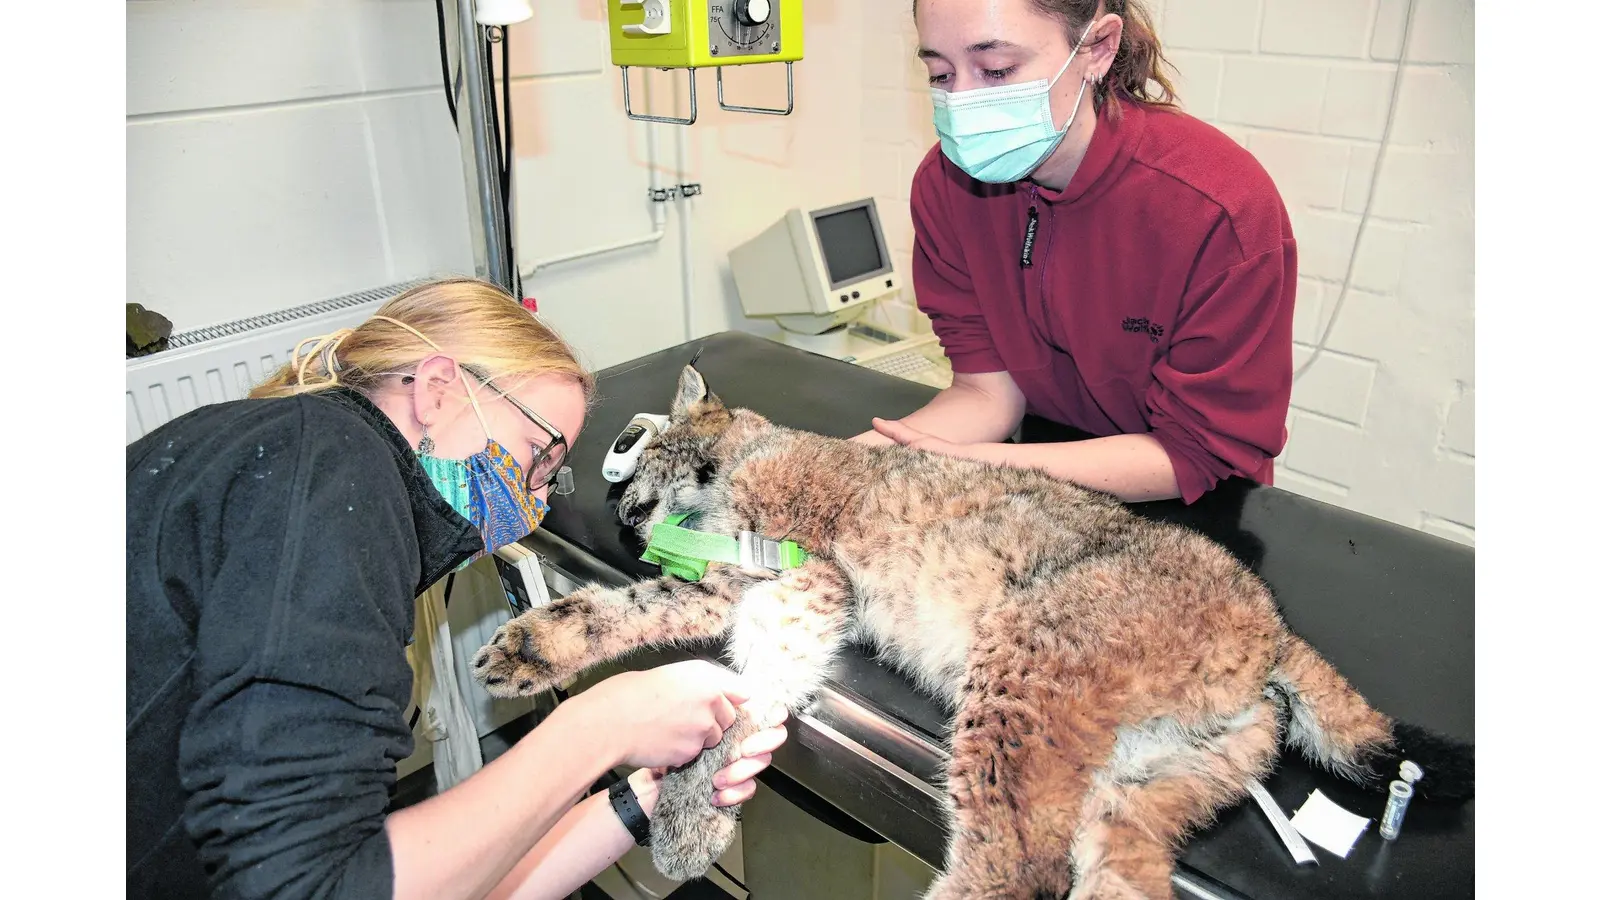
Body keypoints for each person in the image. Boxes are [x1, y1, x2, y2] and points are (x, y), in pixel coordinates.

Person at [126, 277, 788, 900]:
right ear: (438, 389)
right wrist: (602, 724)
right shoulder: (327, 467)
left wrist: (646, 792)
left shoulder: (293, 464)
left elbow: (425, 879)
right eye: (538, 457)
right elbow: (316, 886)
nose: (531, 506)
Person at [856, 0, 1296, 505]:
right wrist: (839, 465)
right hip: (1042, 477)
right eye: (939, 73)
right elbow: (987, 394)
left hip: (1193, 504)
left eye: (997, 70)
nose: (962, 101)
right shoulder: (947, 186)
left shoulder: (1218, 207)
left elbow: (1198, 451)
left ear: (1098, 48)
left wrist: (984, 465)